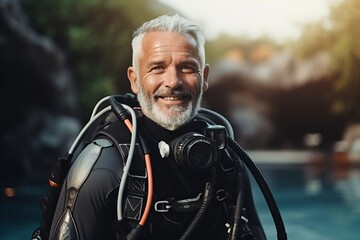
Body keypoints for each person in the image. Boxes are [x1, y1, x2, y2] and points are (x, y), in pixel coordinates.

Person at [46, 14, 267, 240]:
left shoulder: (225, 158)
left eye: (187, 67)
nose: (173, 81)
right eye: (157, 68)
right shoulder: (101, 167)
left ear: (205, 77)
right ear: (134, 79)